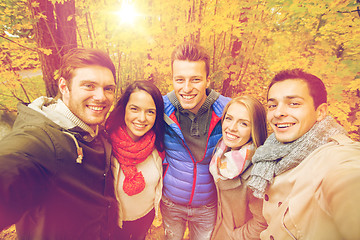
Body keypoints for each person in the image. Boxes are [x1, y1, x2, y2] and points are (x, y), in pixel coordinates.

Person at [0, 48, 119, 240]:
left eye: (108, 88)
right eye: (89, 86)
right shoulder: (41, 141)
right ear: (64, 87)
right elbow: (14, 165)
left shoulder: (94, 131)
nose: (101, 96)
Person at [247, 69, 360, 239]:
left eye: (294, 103)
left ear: (320, 112)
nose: (278, 113)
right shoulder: (270, 153)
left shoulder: (337, 158)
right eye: (272, 105)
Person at [161, 42, 231, 240]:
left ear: (208, 80)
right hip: (171, 203)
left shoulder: (228, 111)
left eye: (195, 80)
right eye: (180, 80)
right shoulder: (159, 108)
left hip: (207, 206)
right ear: (173, 80)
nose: (187, 88)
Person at [105, 81, 164, 240]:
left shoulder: (158, 144)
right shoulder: (106, 145)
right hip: (115, 224)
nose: (142, 118)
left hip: (146, 216)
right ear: (124, 108)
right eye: (134, 109)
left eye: (150, 111)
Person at [210, 95, 268, 240]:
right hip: (216, 230)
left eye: (243, 124)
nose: (231, 128)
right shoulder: (221, 149)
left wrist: (234, 236)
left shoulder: (257, 173)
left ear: (255, 129)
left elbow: (262, 222)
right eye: (229, 118)